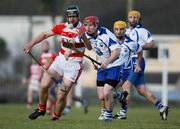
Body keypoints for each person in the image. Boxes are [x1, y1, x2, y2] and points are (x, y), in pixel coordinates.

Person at [23, 5, 91, 121]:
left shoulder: (83, 29)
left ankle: (56, 117)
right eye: (69, 17)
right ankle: (41, 109)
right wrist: (30, 44)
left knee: (61, 95)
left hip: (74, 65)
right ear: (67, 17)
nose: (72, 19)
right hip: (60, 61)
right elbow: (44, 35)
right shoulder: (62, 27)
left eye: (74, 16)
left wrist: (78, 42)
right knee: (44, 85)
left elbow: (88, 47)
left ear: (78, 16)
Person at [113, 10, 169, 120]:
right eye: (130, 17)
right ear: (127, 19)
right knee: (141, 89)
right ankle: (161, 107)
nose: (133, 19)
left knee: (126, 85)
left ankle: (123, 112)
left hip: (136, 61)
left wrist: (137, 47)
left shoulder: (143, 31)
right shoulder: (125, 30)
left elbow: (152, 44)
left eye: (135, 17)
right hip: (128, 61)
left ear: (139, 19)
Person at [82, 16, 128, 122]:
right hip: (102, 67)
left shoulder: (105, 35)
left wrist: (107, 62)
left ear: (96, 26)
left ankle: (108, 115)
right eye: (86, 25)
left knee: (107, 92)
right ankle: (120, 96)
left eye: (90, 25)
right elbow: (90, 48)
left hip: (114, 65)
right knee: (101, 96)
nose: (87, 28)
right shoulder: (87, 35)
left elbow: (117, 51)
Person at [39, 40, 57, 114]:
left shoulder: (52, 54)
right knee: (44, 92)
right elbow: (41, 66)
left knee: (48, 92)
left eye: (46, 45)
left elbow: (56, 63)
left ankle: (50, 107)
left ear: (48, 46)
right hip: (44, 75)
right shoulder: (42, 55)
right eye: (43, 46)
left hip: (50, 74)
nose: (45, 47)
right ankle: (48, 108)